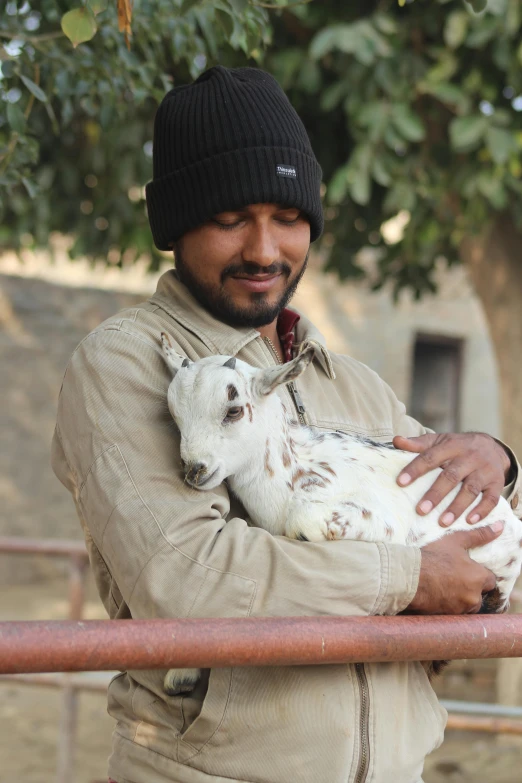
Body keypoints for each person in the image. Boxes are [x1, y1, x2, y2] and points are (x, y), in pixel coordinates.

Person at [52, 65, 521, 783]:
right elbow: (189, 577)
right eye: (230, 217)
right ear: (176, 223)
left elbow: (462, 535)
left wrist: (499, 463)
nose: (265, 251)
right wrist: (408, 579)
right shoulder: (125, 363)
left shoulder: (354, 385)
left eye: (289, 217)